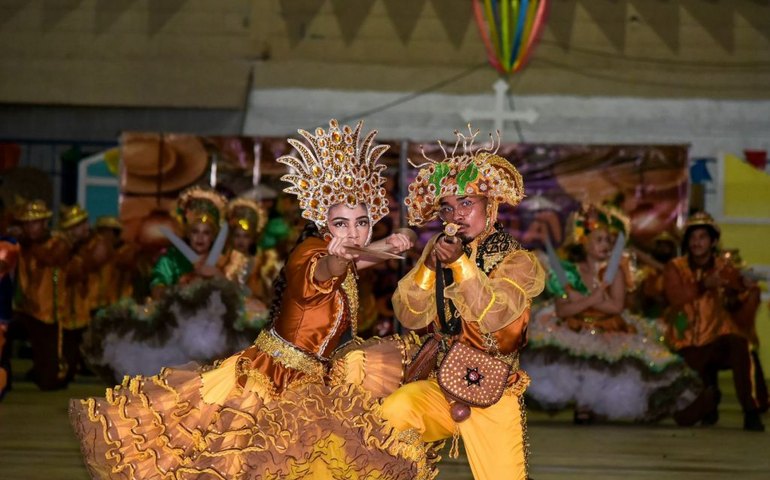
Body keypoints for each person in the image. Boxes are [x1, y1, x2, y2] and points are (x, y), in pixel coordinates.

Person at [70, 119, 436, 479]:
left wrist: (397, 237)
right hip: (275, 378)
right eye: (341, 223)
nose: (353, 231)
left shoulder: (348, 250)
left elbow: (362, 256)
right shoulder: (310, 254)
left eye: (361, 221)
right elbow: (331, 267)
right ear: (323, 223)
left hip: (317, 377)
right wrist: (350, 253)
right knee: (244, 461)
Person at [381, 128, 545, 480]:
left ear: (492, 205)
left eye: (466, 203)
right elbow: (409, 315)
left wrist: (460, 265)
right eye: (447, 208)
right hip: (442, 386)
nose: (455, 216)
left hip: (493, 392)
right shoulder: (437, 252)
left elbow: (497, 320)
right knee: (394, 413)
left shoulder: (518, 261)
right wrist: (429, 267)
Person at [522, 204, 704, 424]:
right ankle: (582, 405)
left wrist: (588, 301)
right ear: (584, 241)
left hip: (608, 326)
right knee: (576, 360)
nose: (606, 245)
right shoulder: (572, 272)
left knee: (608, 364)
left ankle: (595, 406)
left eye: (609, 241)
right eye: (599, 240)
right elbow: (563, 309)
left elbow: (616, 307)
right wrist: (592, 300)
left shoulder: (615, 271)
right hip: (574, 326)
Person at [663, 212, 765, 431]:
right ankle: (709, 401)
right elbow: (676, 297)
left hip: (717, 339)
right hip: (686, 344)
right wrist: (703, 285)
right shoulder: (675, 267)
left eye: (702, 237)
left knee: (739, 344)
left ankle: (751, 410)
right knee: (686, 416)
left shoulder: (724, 267)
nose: (697, 242)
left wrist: (745, 288)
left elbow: (735, 302)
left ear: (713, 242)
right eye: (693, 237)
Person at [13, 200, 74, 390]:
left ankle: (43, 370)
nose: (30, 227)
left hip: (49, 314)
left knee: (49, 382)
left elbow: (50, 258)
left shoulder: (59, 242)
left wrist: (26, 242)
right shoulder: (19, 243)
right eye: (26, 223)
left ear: (45, 222)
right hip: (23, 309)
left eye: (35, 222)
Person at [149, 186, 229, 299]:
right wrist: (182, 288)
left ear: (213, 237)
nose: (200, 238)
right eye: (195, 232)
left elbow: (240, 299)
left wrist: (218, 277)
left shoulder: (226, 260)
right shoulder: (171, 260)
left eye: (206, 233)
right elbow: (156, 290)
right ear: (188, 234)